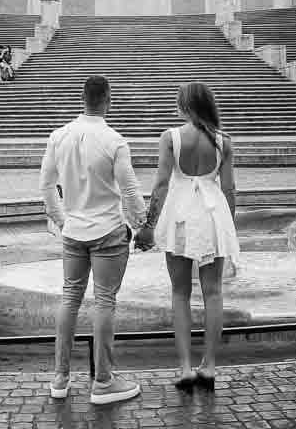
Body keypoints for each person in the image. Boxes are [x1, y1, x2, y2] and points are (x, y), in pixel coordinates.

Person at [39, 75, 147, 405]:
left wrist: (62, 220)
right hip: (108, 230)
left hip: (74, 230)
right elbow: (130, 191)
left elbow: (45, 186)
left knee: (69, 299)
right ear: (107, 100)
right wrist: (142, 225)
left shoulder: (59, 136)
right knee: (104, 302)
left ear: (83, 98)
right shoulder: (114, 140)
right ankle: (103, 381)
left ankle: (60, 378)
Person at [135, 82, 239, 392]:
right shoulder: (224, 142)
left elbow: (161, 185)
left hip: (180, 213)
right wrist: (227, 228)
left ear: (185, 106)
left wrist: (148, 226)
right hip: (212, 214)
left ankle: (184, 367)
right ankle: (208, 365)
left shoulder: (171, 138)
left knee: (180, 293)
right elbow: (230, 190)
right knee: (214, 292)